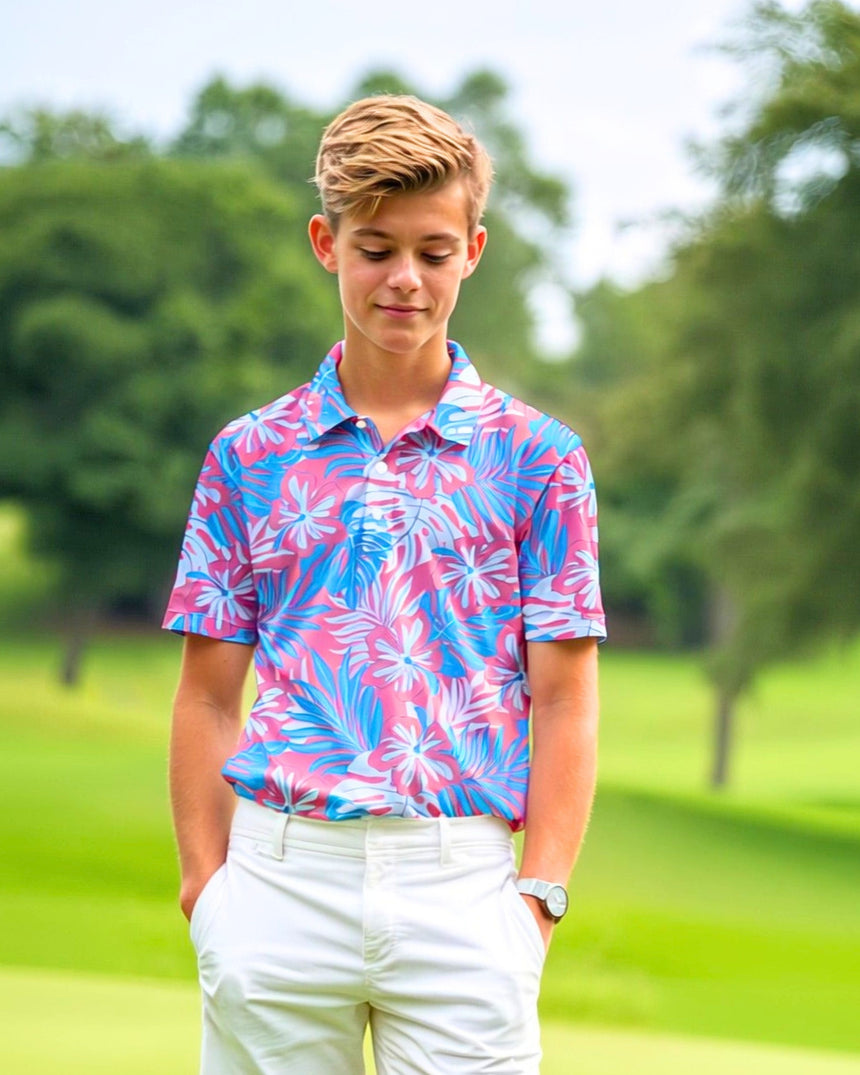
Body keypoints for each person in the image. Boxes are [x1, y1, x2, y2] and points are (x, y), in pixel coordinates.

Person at [164, 93, 606, 1075]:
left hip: (463, 887)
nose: (403, 278)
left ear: (473, 251)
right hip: (277, 882)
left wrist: (538, 899)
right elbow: (205, 692)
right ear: (326, 243)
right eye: (374, 248)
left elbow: (565, 694)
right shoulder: (248, 454)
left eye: (433, 251)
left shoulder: (539, 457)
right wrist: (207, 888)